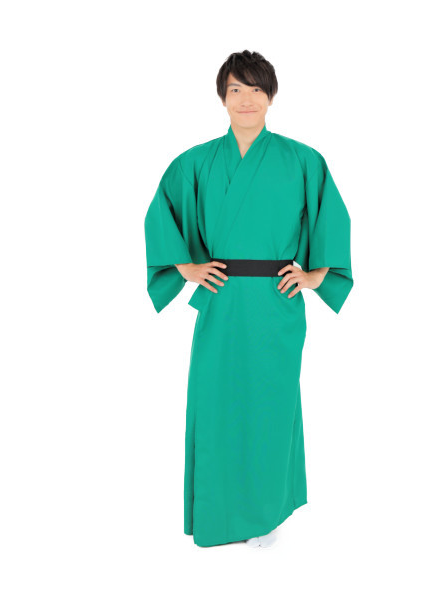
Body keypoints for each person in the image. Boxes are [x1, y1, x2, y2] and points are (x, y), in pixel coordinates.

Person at [144, 50, 354, 548]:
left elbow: (332, 218)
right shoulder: (195, 162)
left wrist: (314, 276)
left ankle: (267, 516)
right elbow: (161, 212)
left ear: (271, 97)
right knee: (215, 404)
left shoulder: (303, 160)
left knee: (272, 406)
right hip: (220, 299)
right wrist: (186, 268)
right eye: (236, 89)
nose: (246, 99)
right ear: (222, 97)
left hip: (275, 302)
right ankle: (220, 517)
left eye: (256, 89)